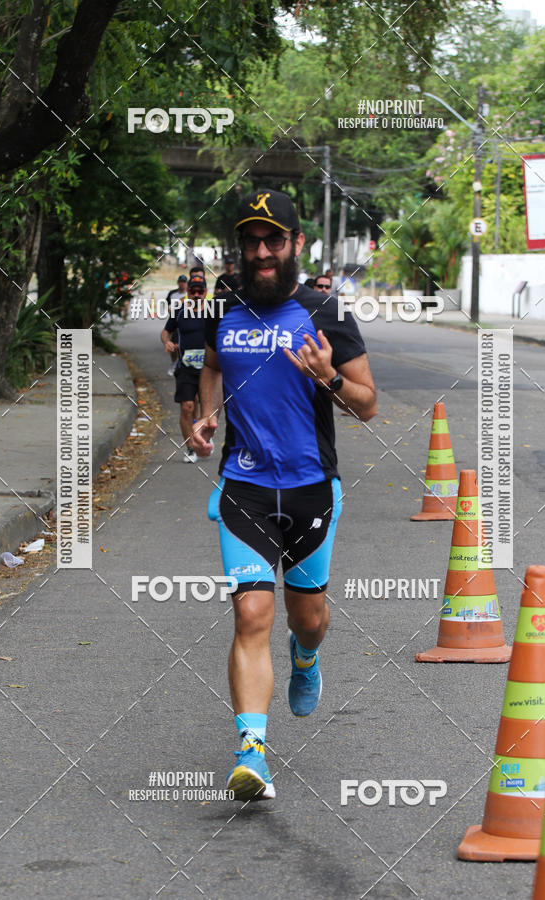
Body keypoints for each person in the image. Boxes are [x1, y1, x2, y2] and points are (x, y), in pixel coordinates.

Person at [191, 189, 376, 802]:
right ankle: (252, 756)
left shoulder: (325, 312)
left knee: (309, 618)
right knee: (250, 613)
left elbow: (368, 405)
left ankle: (306, 657)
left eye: (274, 240)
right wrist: (205, 414)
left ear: (296, 244)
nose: (262, 252)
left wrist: (326, 377)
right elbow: (212, 365)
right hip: (243, 487)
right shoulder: (228, 304)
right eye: (251, 241)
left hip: (310, 490)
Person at [161, 275, 210, 463]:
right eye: (192, 291)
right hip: (185, 367)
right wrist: (167, 342)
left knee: (206, 410)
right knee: (187, 407)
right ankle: (190, 448)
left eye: (200, 291)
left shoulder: (214, 312)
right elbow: (166, 331)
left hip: (208, 370)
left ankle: (202, 437)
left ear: (206, 292)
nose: (196, 294)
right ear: (188, 292)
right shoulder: (179, 311)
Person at [164, 275, 189, 375]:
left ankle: (180, 364)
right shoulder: (172, 294)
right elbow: (168, 307)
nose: (182, 284)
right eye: (180, 282)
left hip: (186, 322)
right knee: (173, 346)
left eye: (184, 282)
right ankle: (174, 363)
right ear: (178, 282)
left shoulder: (189, 294)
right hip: (175, 323)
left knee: (181, 345)